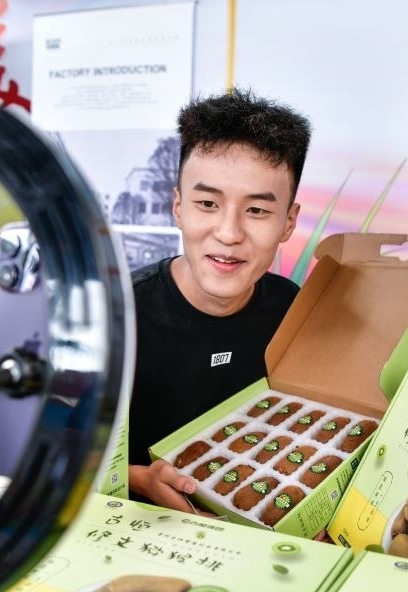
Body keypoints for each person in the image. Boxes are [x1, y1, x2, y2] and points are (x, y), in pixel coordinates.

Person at [127, 88, 312, 512]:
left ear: (289, 222)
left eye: (257, 211)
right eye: (207, 203)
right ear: (178, 206)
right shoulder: (117, 314)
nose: (229, 233)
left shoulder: (292, 310)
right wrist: (140, 479)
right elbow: (52, 447)